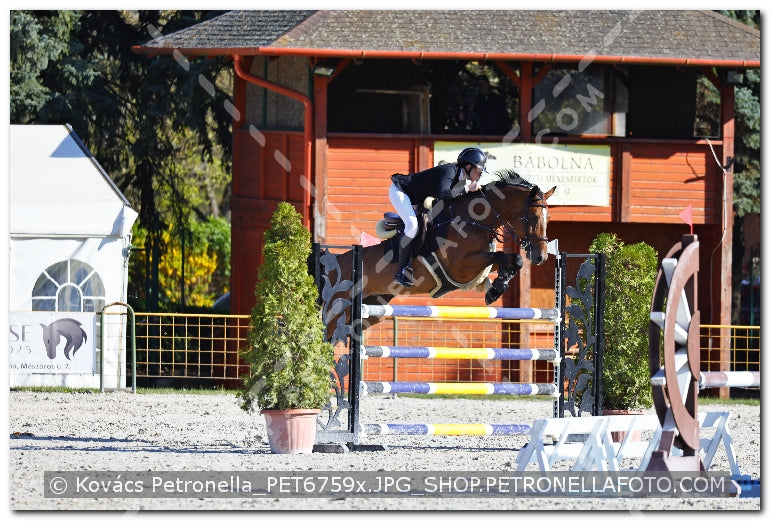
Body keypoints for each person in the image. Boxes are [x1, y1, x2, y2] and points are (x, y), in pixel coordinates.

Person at [388, 147, 487, 287]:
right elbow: (442, 195)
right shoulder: (450, 170)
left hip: (416, 199)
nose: (480, 174)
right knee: (412, 226)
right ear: (469, 166)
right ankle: (402, 270)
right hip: (401, 191)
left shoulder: (461, 179)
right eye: (479, 169)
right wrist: (467, 190)